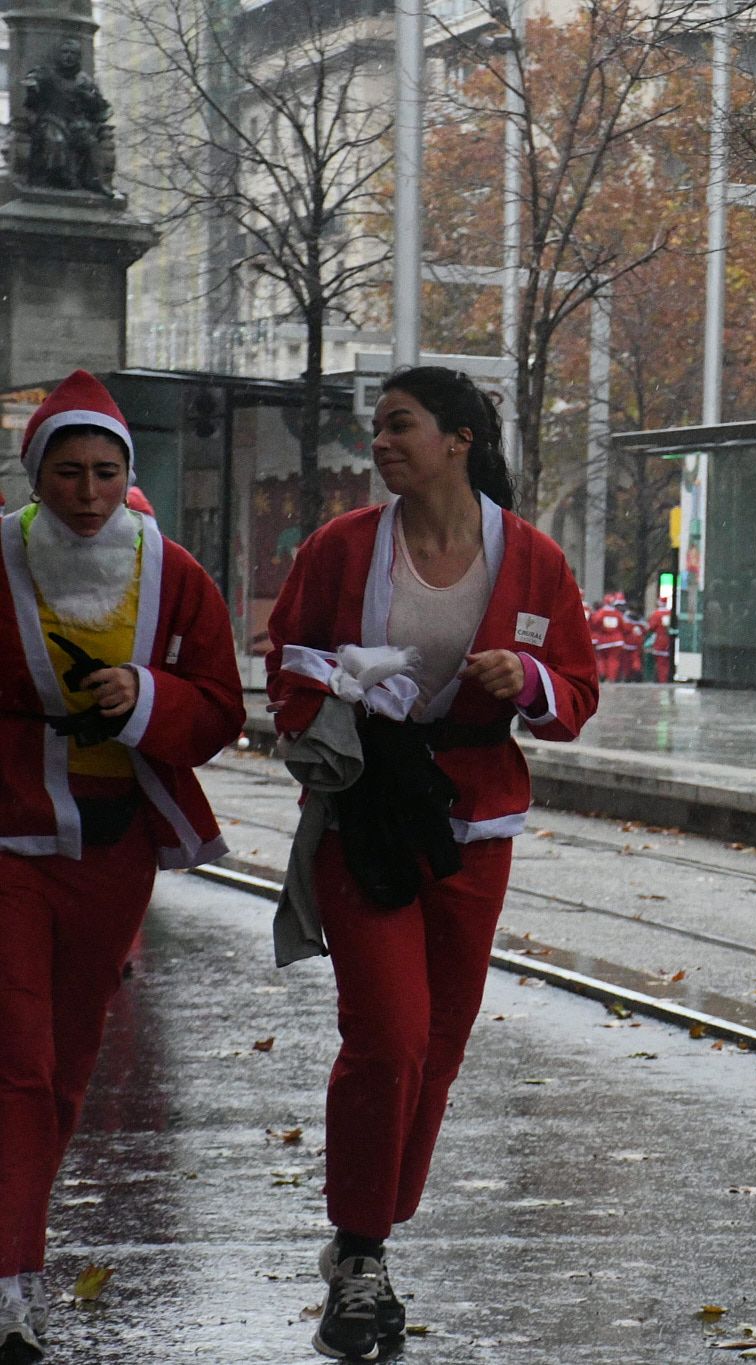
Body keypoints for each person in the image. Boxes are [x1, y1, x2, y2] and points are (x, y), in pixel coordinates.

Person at [266, 367, 600, 1362]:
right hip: (366, 813)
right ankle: (361, 1250)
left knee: (439, 1050)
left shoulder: (531, 558)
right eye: (376, 428)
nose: (381, 442)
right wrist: (346, 678)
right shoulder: (342, 548)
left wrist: (527, 676)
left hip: (474, 824)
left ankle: (370, 1234)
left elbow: (576, 692)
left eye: (400, 424)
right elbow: (287, 657)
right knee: (389, 1036)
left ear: (459, 438)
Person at [0, 372, 242, 1363]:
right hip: (10, 839)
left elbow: (220, 709)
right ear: (36, 474)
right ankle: (10, 1279)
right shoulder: (1, 559)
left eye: (105, 472)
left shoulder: (173, 573)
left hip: (113, 848)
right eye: (68, 472)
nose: (88, 492)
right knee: (15, 1060)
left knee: (65, 1068)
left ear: (126, 476)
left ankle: (17, 1236)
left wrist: (145, 696)